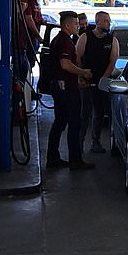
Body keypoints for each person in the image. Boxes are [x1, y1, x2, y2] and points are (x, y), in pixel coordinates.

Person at [46, 11, 95, 171]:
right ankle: (75, 159)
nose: (78, 26)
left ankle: (53, 157)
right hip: (66, 89)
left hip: (62, 86)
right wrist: (83, 73)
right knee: (74, 123)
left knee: (60, 122)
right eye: (75, 23)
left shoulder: (60, 39)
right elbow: (65, 64)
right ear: (66, 25)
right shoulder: (65, 42)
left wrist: (77, 81)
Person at [76, 11, 119, 154]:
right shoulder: (85, 37)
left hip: (103, 81)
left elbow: (113, 61)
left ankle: (96, 142)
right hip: (86, 81)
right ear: (97, 22)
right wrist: (81, 76)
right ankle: (79, 143)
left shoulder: (112, 40)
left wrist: (104, 79)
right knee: (84, 114)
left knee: (99, 113)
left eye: (109, 20)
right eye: (105, 20)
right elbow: (77, 57)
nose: (108, 23)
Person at [15, 0, 46, 85]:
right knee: (26, 63)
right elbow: (29, 19)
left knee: (31, 63)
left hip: (33, 38)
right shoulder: (27, 0)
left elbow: (37, 18)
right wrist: (38, 36)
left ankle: (28, 87)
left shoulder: (36, 3)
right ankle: (24, 86)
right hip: (28, 38)